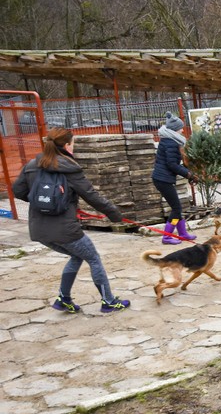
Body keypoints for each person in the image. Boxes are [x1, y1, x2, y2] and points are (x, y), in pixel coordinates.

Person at [12, 128, 131, 314]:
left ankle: (63, 299)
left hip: (39, 230)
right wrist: (115, 214)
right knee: (93, 258)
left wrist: (42, 202)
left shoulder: (32, 165)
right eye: (72, 143)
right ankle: (108, 301)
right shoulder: (69, 168)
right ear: (67, 145)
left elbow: (18, 191)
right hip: (65, 229)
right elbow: (92, 196)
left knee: (78, 255)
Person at [151, 111, 196, 244]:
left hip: (163, 178)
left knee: (177, 207)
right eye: (181, 128)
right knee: (176, 209)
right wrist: (188, 174)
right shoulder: (170, 143)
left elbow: (175, 163)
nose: (182, 130)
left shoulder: (169, 140)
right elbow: (171, 165)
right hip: (162, 180)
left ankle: (182, 234)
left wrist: (188, 173)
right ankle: (167, 236)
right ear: (175, 129)